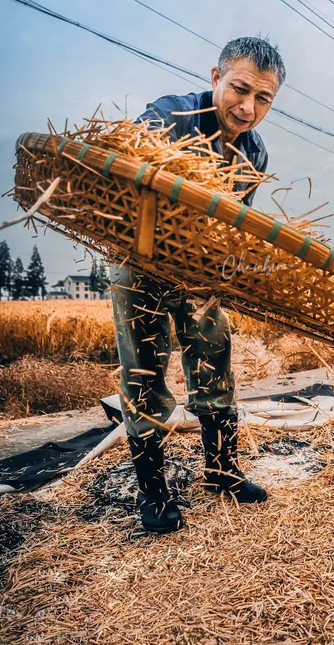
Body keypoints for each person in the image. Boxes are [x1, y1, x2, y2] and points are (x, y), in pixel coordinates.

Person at [110, 37, 286, 533]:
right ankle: (154, 492)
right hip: (140, 262)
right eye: (240, 88)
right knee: (144, 371)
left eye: (264, 98)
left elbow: (237, 227)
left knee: (215, 359)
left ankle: (222, 471)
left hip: (200, 276)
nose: (248, 107)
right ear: (215, 78)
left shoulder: (254, 152)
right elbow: (129, 171)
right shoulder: (170, 117)